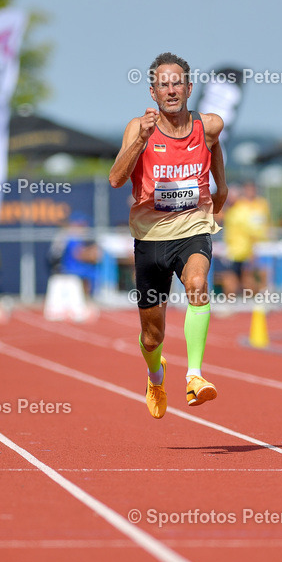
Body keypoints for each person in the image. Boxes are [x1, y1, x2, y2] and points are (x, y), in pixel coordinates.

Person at [109, 52, 228, 419]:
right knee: (152, 336)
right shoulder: (137, 127)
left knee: (197, 284)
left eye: (178, 83)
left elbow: (215, 150)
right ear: (153, 91)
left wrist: (220, 188)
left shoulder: (208, 126)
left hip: (193, 227)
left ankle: (194, 376)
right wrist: (141, 140)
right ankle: (155, 374)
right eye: (164, 84)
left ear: (189, 88)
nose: (171, 89)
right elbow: (115, 179)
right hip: (149, 238)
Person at [223, 181, 270, 293]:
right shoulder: (234, 210)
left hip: (243, 250)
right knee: (235, 277)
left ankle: (259, 297)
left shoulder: (242, 210)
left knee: (246, 278)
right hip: (236, 250)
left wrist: (252, 249)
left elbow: (252, 231)